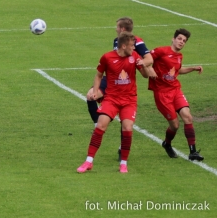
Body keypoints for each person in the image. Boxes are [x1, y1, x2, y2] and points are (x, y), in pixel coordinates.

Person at [77, 32, 150, 174]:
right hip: (111, 98)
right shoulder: (107, 57)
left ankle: (123, 163)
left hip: (129, 100)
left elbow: (146, 76)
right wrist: (95, 90)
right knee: (100, 126)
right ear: (123, 46)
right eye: (131, 45)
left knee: (127, 128)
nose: (134, 48)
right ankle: (88, 161)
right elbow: (99, 75)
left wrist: (144, 66)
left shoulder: (134, 57)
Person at [85, 17, 154, 159]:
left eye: (117, 26)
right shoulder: (117, 41)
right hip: (111, 78)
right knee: (90, 95)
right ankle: (97, 123)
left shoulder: (135, 41)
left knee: (125, 121)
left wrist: (140, 64)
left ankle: (122, 147)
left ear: (122, 28)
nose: (115, 28)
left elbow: (149, 59)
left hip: (124, 82)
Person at [148, 28, 204, 161]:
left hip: (175, 90)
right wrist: (150, 69)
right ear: (173, 39)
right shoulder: (161, 51)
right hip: (162, 94)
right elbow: (146, 60)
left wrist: (193, 68)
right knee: (175, 125)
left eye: (184, 41)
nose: (181, 42)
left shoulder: (179, 56)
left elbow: (177, 71)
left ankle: (193, 152)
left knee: (188, 117)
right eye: (179, 39)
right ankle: (167, 143)